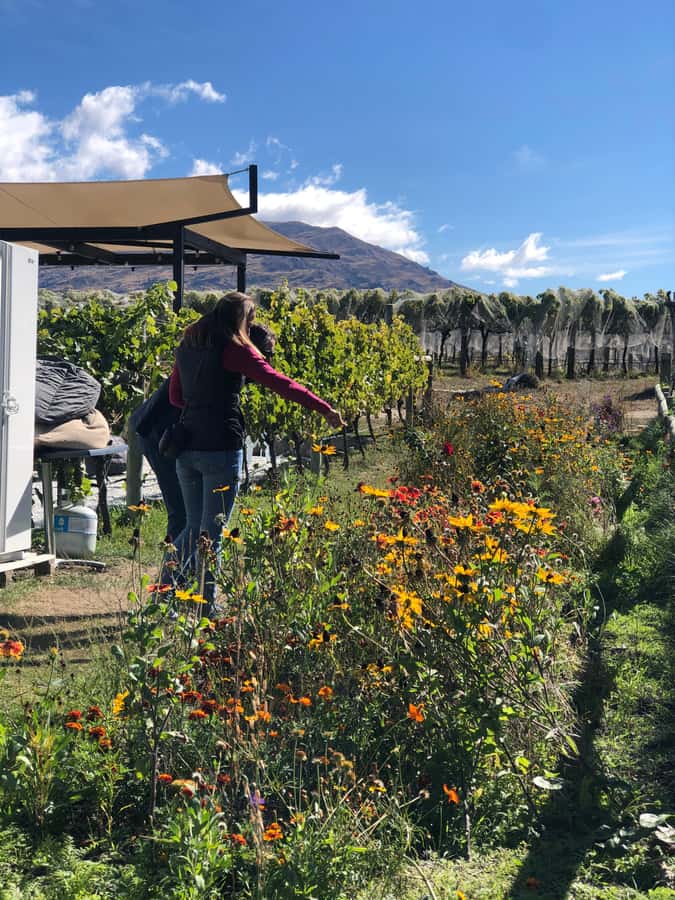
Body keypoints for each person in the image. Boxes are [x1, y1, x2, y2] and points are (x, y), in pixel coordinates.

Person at [168, 292, 345, 605]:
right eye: (249, 322)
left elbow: (176, 397)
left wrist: (201, 405)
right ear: (240, 320)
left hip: (187, 446)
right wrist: (324, 408)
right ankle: (206, 609)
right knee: (212, 535)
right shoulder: (234, 349)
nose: (250, 329)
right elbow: (281, 383)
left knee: (193, 528)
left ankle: (163, 593)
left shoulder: (188, 345)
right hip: (220, 448)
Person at [128, 322, 278, 543]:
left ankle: (182, 571)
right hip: (159, 433)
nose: (267, 362)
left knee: (190, 516)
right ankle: (175, 573)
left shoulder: (220, 358)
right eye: (266, 355)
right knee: (182, 512)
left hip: (170, 432)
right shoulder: (221, 363)